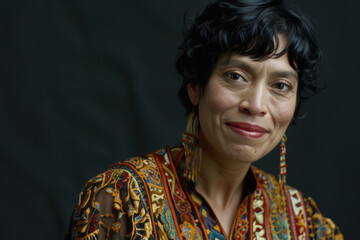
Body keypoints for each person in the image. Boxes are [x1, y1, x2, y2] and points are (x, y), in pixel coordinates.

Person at [65, 0, 343, 239]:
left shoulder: (307, 223)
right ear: (195, 87)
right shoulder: (121, 198)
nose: (256, 105)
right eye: (236, 76)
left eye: (281, 85)